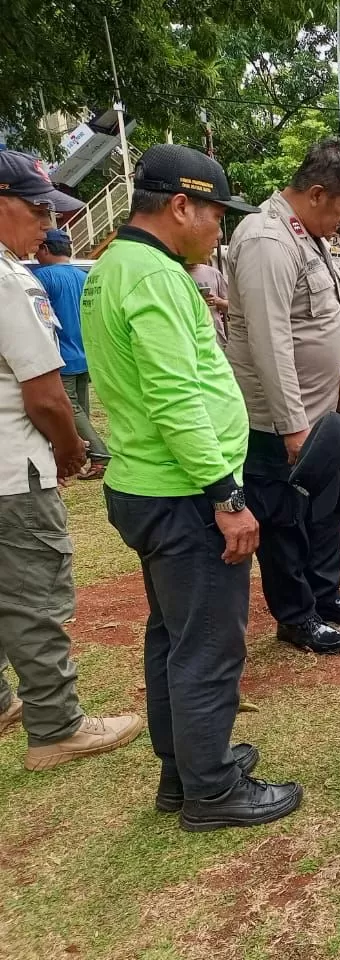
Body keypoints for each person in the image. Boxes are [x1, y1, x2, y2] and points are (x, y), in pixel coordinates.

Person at [81, 144, 303, 830]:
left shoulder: (118, 268)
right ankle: (212, 794)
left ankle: (185, 772)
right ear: (181, 204)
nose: (220, 228)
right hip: (181, 491)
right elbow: (175, 395)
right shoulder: (152, 277)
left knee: (173, 635)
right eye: (215, 213)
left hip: (149, 483)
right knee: (208, 643)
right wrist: (226, 497)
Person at [0, 150, 144, 773]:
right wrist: (70, 451)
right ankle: (57, 725)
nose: (45, 225)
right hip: (13, 470)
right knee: (36, 599)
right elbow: (45, 394)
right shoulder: (10, 280)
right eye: (35, 210)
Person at [225, 138, 340, 656]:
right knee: (285, 517)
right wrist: (292, 426)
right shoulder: (267, 240)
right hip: (279, 422)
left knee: (325, 510)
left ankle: (326, 594)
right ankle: (296, 614)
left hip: (320, 410)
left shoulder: (304, 234)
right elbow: (270, 342)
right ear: (315, 193)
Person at [31, 227, 111, 479]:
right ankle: (83, 455)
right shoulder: (84, 276)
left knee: (71, 409)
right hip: (85, 351)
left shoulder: (42, 277)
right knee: (80, 407)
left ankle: (99, 455)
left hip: (61, 354)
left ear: (45, 249)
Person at [186, 259, 230, 347]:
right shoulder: (175, 273)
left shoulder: (213, 273)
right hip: (189, 337)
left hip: (216, 338)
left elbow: (232, 307)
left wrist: (218, 301)